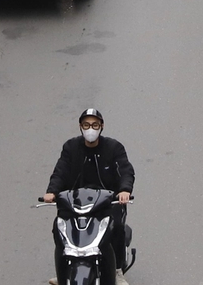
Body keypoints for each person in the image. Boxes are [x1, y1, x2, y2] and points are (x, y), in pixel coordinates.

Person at [42, 109, 136, 271]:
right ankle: (62, 274)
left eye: (94, 125)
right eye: (86, 125)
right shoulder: (71, 147)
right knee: (59, 230)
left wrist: (124, 190)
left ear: (102, 126)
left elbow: (126, 171)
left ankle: (117, 270)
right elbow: (60, 171)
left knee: (117, 229)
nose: (90, 129)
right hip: (75, 202)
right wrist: (52, 191)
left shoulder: (114, 147)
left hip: (107, 203)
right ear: (80, 127)